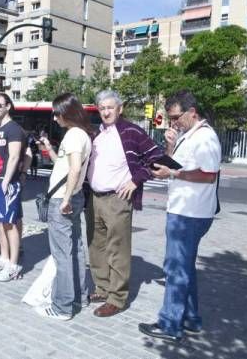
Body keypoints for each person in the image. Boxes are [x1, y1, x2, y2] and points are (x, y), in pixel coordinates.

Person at [139, 91, 221, 342]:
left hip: (190, 213)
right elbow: (175, 164)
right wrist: (171, 147)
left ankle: (170, 324)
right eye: (171, 118)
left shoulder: (206, 138)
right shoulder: (189, 135)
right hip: (185, 210)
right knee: (184, 268)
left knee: (175, 269)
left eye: (176, 117)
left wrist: (173, 175)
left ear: (192, 112)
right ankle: (190, 319)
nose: (173, 122)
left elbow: (208, 175)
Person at [86, 90, 162, 317]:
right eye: (102, 108)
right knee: (96, 245)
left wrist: (135, 180)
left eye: (110, 107)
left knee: (117, 249)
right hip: (94, 197)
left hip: (117, 199)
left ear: (120, 109)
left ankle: (117, 299)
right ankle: (102, 288)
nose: (106, 112)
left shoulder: (131, 131)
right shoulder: (97, 133)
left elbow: (156, 158)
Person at [35, 93, 94, 321]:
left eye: (57, 112)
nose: (54, 116)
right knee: (75, 249)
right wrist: (49, 147)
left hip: (63, 199)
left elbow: (75, 169)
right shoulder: (83, 135)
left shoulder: (73, 135)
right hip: (73, 196)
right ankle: (80, 297)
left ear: (67, 113)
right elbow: (66, 165)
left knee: (62, 254)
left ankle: (62, 306)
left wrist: (67, 198)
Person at [0, 92, 27, 281]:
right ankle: (4, 257)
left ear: (8, 106)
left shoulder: (14, 129)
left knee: (10, 224)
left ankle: (13, 265)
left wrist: (8, 180)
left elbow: (17, 156)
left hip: (6, 182)